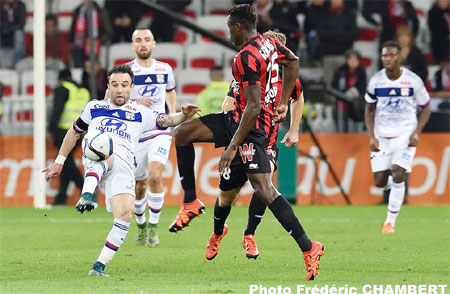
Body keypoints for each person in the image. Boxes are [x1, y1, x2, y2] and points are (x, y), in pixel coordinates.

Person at [171, 4, 324, 280]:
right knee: (182, 134)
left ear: (239, 27)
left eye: (229, 27)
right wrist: (281, 101)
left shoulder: (245, 57)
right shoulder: (268, 44)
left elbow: (253, 108)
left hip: (254, 129)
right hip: (235, 119)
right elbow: (294, 61)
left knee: (265, 190)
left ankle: (308, 247)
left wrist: (231, 149)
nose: (228, 33)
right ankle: (191, 202)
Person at [42, 64, 199, 277]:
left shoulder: (140, 113)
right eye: (114, 84)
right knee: (103, 148)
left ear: (132, 87)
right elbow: (73, 133)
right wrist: (59, 161)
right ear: (108, 86)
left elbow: (165, 120)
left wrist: (184, 115)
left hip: (124, 167)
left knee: (125, 215)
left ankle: (99, 266)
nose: (119, 89)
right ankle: (87, 194)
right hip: (96, 153)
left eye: (124, 85)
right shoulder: (94, 107)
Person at [221, 30, 305, 260]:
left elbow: (299, 96)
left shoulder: (287, 78)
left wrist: (294, 128)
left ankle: (249, 234)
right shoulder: (249, 74)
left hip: (267, 141)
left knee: (264, 182)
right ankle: (218, 231)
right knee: (227, 195)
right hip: (245, 139)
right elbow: (227, 104)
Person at [364, 41, 431, 234]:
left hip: (405, 133)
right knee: (380, 181)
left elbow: (426, 107)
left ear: (400, 57)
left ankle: (389, 223)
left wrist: (417, 131)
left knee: (398, 171)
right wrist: (371, 136)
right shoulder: (376, 81)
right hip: (381, 135)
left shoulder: (413, 80)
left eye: (392, 55)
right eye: (385, 55)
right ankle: (397, 188)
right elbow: (369, 108)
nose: (388, 59)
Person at [127, 28, 177, 247]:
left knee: (155, 177)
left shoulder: (164, 69)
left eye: (147, 40)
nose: (143, 44)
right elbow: (111, 97)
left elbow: (170, 91)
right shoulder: (126, 70)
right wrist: (135, 99)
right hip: (136, 133)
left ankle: (154, 230)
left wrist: (173, 116)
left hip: (159, 129)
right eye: (138, 40)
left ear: (154, 43)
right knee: (139, 187)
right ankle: (141, 227)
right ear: (133, 46)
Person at [49, 69, 90, 205]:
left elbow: (57, 111)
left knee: (66, 162)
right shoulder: (83, 91)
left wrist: (51, 129)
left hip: (64, 132)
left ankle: (85, 187)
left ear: (60, 79)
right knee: (67, 162)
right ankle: (61, 197)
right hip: (80, 131)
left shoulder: (63, 89)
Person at [317, 0, 357, 88]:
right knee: (328, 82)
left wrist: (332, 34)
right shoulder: (324, 14)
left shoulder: (350, 15)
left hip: (344, 54)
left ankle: (344, 101)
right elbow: (321, 33)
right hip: (328, 53)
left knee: (344, 83)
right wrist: (340, 33)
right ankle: (328, 101)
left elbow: (352, 34)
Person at [70, 0, 112, 68]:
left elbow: (108, 32)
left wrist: (100, 41)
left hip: (96, 44)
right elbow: (72, 31)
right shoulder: (78, 10)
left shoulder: (100, 11)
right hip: (79, 45)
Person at [331, 50, 367, 128]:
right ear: (347, 60)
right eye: (351, 59)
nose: (353, 62)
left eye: (356, 59)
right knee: (342, 124)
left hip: (356, 104)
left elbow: (363, 87)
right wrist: (344, 94)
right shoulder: (340, 71)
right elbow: (333, 87)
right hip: (341, 102)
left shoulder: (361, 71)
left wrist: (356, 92)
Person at [0, 0, 25, 66]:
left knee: (19, 34)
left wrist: (9, 28)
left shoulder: (20, 5)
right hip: (2, 32)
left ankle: (17, 64)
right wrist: (8, 27)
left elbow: (21, 24)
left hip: (14, 33)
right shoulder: (1, 4)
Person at [428, 0, 450, 64]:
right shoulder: (433, 12)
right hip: (440, 44)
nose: (443, 2)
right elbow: (434, 29)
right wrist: (447, 35)